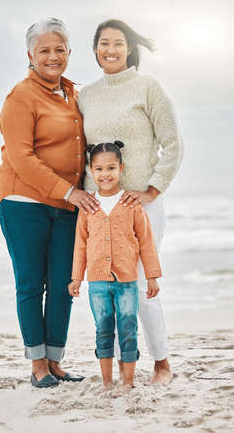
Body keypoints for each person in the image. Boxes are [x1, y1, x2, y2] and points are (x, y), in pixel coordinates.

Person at [78, 19, 184, 384]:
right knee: (110, 291)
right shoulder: (85, 95)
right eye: (104, 42)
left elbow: (173, 144)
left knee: (138, 288)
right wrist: (83, 195)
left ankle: (162, 363)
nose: (110, 49)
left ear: (128, 48)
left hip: (141, 206)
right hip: (100, 208)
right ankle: (125, 370)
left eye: (118, 43)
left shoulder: (148, 87)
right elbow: (81, 152)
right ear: (95, 49)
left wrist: (153, 188)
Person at [0, 18, 99, 388]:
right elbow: (22, 157)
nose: (52, 57)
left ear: (69, 53)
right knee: (31, 284)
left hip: (68, 204)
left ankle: (55, 361)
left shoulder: (73, 94)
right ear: (30, 55)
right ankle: (37, 364)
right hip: (23, 200)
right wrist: (69, 191)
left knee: (63, 284)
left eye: (59, 50)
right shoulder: (20, 97)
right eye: (44, 51)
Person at [68, 141, 162, 388]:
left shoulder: (131, 203)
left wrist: (152, 276)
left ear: (121, 168)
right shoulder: (88, 206)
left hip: (127, 281)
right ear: (91, 170)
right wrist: (77, 277)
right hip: (97, 282)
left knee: (128, 328)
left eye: (111, 168)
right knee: (103, 329)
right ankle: (107, 382)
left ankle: (128, 382)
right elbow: (80, 245)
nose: (105, 174)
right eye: (99, 169)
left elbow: (146, 242)